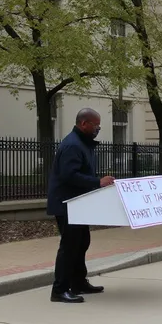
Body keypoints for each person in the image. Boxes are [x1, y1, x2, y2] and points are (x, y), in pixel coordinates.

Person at [48, 108, 115, 304]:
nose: (98, 130)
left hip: (78, 204)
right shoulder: (72, 145)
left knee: (82, 242)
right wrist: (97, 182)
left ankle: (78, 282)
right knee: (69, 246)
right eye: (96, 126)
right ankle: (60, 289)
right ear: (84, 123)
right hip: (67, 203)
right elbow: (70, 175)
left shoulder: (81, 144)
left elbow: (80, 172)